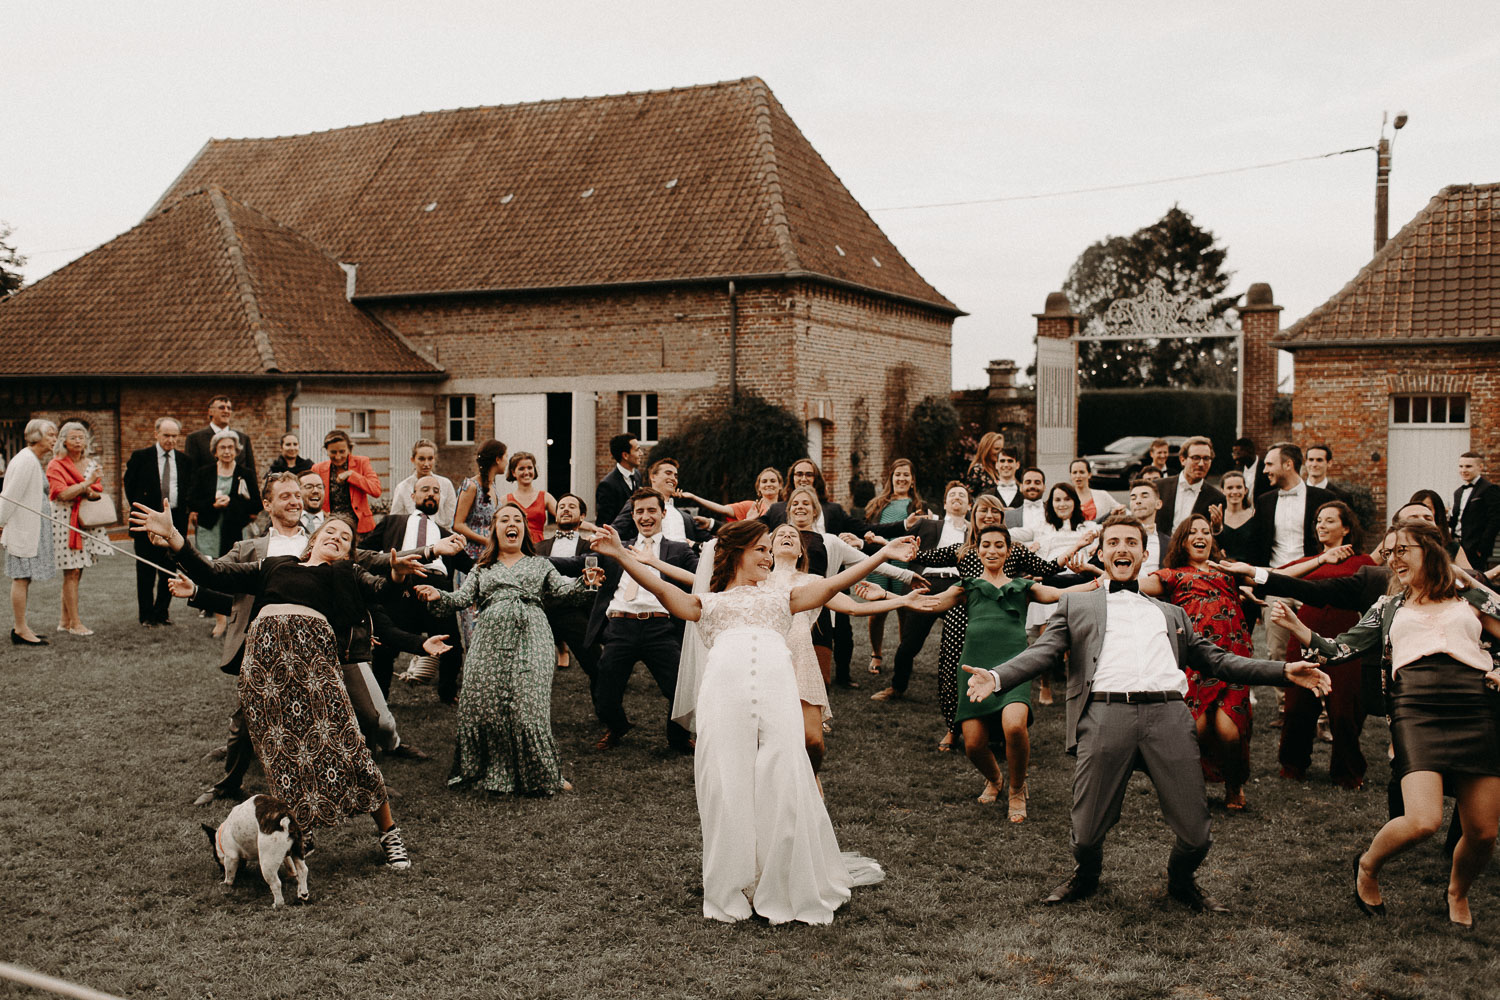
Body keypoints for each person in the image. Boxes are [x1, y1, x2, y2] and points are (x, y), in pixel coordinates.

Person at [964, 511, 1331, 911]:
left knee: (1197, 835)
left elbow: (1220, 660)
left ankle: (1181, 880)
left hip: (1169, 716)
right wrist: (998, 678)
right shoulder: (1077, 606)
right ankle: (1085, 876)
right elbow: (1041, 653)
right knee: (1085, 835)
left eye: (1131, 543)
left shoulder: (1172, 613)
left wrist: (1283, 671)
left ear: (1143, 555)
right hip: (1106, 715)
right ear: (1102, 553)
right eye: (1114, 543)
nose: (1123, 549)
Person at [592, 518, 908, 924]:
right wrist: (620, 555)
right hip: (725, 692)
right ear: (738, 552)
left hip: (777, 690)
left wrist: (881, 555)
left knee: (784, 774)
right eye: (761, 548)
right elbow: (665, 590)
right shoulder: (711, 602)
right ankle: (730, 886)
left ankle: (782, 883)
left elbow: (831, 586)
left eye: (769, 548)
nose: (769, 555)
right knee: (726, 780)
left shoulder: (783, 596)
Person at [131, 503, 419, 870]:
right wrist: (175, 539)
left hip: (314, 669)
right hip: (264, 673)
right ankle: (302, 832)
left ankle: (390, 835)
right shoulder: (275, 566)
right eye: (331, 531)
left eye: (345, 538)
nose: (337, 538)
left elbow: (382, 590)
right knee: (284, 759)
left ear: (349, 552)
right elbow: (214, 572)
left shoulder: (347, 574)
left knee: (349, 748)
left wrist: (395, 576)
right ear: (313, 539)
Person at [1274, 519, 1500, 928]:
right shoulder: (1389, 606)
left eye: (1403, 550)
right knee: (1423, 820)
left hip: (1474, 707)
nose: (1392, 559)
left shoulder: (1469, 598)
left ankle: (1457, 891)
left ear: (1431, 550)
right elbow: (1341, 647)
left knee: (1483, 831)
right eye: (1389, 551)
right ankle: (1367, 866)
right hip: (1417, 708)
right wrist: (1300, 629)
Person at [415, 502, 602, 795]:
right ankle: (491, 772)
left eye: (517, 519)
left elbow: (564, 593)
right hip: (488, 639)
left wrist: (585, 582)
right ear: (495, 529)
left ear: (524, 529)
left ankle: (545, 775)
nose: (511, 524)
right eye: (504, 519)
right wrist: (435, 594)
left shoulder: (540, 563)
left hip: (532, 634)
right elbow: (459, 600)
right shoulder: (481, 568)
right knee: (484, 705)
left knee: (528, 706)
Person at [923, 524, 1098, 820]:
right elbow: (933, 603)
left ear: (1009, 550)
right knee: (974, 744)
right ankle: (995, 778)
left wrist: (1094, 586)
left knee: (1014, 726)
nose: (992, 551)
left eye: (999, 545)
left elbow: (1058, 594)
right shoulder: (966, 586)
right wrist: (886, 597)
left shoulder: (1022, 586)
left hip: (1012, 667)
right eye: (986, 545)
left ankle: (1017, 787)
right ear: (977, 549)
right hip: (974, 667)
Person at [877, 493, 1069, 752]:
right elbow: (927, 557)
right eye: (982, 512)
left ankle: (999, 731)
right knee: (953, 671)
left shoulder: (1014, 550)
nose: (988, 516)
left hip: (999, 617)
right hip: (962, 614)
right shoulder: (963, 550)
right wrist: (899, 551)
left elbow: (1045, 568)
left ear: (1001, 517)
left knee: (1003, 670)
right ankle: (953, 729)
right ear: (973, 516)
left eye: (994, 512)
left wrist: (1074, 557)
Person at [766, 522, 928, 770]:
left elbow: (854, 608)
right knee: (771, 737)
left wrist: (901, 600)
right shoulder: (757, 580)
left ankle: (813, 776)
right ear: (770, 547)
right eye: (781, 535)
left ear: (801, 551)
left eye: (793, 535)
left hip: (801, 659)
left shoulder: (814, 581)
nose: (787, 536)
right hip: (768, 659)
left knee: (812, 741)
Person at [552, 487, 698, 752]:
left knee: (680, 690)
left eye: (652, 510)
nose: (646, 516)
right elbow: (576, 563)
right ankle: (617, 726)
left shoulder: (678, 551)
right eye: (639, 511)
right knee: (604, 696)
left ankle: (677, 738)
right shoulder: (617, 548)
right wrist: (529, 558)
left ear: (663, 513)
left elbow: (703, 577)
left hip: (661, 627)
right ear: (632, 516)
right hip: (620, 626)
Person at [1140, 514, 1258, 810]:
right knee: (1196, 729)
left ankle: (1234, 784)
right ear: (1182, 540)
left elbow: (1275, 575)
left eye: (1206, 531)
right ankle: (1190, 788)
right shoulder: (1172, 575)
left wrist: (1322, 560)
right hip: (1195, 662)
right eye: (1192, 532)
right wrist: (1098, 576)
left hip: (1233, 659)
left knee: (1229, 729)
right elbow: (1134, 585)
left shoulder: (1228, 572)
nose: (1200, 536)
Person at [1273, 501, 1375, 789]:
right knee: (1296, 706)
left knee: (1343, 708)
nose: (1321, 525)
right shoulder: (1311, 561)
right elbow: (1276, 576)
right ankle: (1293, 764)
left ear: (1346, 528)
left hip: (1344, 637)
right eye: (1318, 520)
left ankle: (1347, 771)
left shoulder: (1363, 563)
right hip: (1304, 630)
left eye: (1329, 521)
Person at [360, 475, 471, 701]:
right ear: (413, 496)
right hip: (402, 585)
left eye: (436, 491)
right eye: (425, 489)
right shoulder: (392, 522)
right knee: (386, 644)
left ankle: (448, 695)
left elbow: (472, 567)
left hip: (438, 589)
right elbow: (364, 553)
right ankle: (380, 698)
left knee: (451, 645)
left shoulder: (447, 536)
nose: (431, 494)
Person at [869, 481, 971, 703]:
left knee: (962, 642)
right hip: (926, 583)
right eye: (952, 494)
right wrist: (877, 541)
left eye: (962, 496)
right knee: (909, 643)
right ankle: (897, 687)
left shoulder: (974, 533)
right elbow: (901, 540)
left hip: (959, 588)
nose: (956, 498)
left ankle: (962, 691)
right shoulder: (929, 526)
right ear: (945, 503)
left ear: (969, 505)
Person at [1250, 443, 1335, 661]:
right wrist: (1259, 591)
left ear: (1288, 465)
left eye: (1269, 464)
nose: (1265, 470)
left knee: (1318, 648)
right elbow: (1258, 548)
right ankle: (1282, 697)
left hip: (1312, 584)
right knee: (1277, 653)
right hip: (1276, 583)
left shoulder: (1323, 498)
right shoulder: (1264, 501)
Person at [122, 417, 191, 627]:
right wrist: (141, 509)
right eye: (166, 435)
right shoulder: (141, 457)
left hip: (174, 522)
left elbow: (188, 488)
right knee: (145, 570)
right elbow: (129, 485)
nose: (170, 440)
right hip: (147, 520)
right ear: (156, 434)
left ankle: (162, 612)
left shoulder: (184, 460)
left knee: (169, 568)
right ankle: (146, 615)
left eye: (174, 436)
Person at [190, 430, 259, 637]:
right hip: (210, 529)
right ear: (215, 451)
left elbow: (255, 504)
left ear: (237, 450)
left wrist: (231, 503)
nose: (227, 451)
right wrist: (212, 504)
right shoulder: (204, 472)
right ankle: (220, 620)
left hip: (235, 528)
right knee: (212, 569)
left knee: (236, 571)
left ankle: (240, 619)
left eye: (231, 447)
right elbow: (192, 501)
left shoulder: (244, 473)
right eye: (223, 447)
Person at [47, 421, 109, 636]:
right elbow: (61, 494)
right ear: (63, 440)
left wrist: (87, 490)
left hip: (85, 519)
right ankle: (75, 623)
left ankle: (64, 621)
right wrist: (86, 485)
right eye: (73, 437)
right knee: (71, 571)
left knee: (77, 570)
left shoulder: (91, 463)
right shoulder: (56, 464)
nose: (77, 441)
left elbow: (97, 490)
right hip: (65, 521)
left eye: (81, 437)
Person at [0, 419, 59, 645]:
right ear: (36, 436)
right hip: (23, 530)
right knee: (21, 578)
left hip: (32, 529)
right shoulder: (25, 460)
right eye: (50, 435)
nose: (54, 439)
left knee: (25, 578)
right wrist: (1, 521)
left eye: (55, 435)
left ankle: (21, 626)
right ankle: (20, 630)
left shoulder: (32, 460)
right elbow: (9, 496)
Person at [863, 458, 923, 675]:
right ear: (891, 477)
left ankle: (902, 656)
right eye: (898, 474)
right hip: (879, 560)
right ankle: (876, 654)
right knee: (876, 610)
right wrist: (868, 535)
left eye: (906, 474)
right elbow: (867, 528)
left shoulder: (918, 507)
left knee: (903, 609)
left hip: (904, 562)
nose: (901, 478)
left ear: (912, 480)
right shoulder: (878, 504)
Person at [536, 493, 601, 677]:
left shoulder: (591, 547)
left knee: (597, 666)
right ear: (555, 515)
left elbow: (592, 584)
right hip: (541, 609)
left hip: (573, 609)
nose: (565, 509)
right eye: (561, 506)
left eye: (572, 506)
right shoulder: (538, 547)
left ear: (582, 516)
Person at [453, 439, 506, 648]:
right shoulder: (471, 486)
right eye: (505, 457)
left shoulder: (493, 487)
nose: (507, 461)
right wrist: (488, 540)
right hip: (471, 559)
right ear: (497, 459)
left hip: (492, 557)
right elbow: (457, 523)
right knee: (471, 613)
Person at [611, 457, 714, 547]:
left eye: (676, 476)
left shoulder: (685, 517)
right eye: (668, 473)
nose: (673, 478)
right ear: (653, 477)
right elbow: (615, 532)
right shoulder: (637, 504)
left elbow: (711, 541)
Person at [312, 430, 381, 536]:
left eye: (342, 451)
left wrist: (352, 475)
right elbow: (310, 496)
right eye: (333, 452)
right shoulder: (318, 469)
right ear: (326, 450)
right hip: (331, 528)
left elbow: (376, 490)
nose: (338, 456)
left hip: (360, 529)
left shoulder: (362, 463)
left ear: (350, 449)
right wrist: (321, 512)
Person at [1155, 436, 1226, 533]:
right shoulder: (1158, 487)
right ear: (1182, 460)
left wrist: (1216, 528)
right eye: (1195, 458)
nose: (1201, 464)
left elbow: (1216, 540)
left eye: (1206, 458)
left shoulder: (1217, 498)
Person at [388, 439, 458, 530]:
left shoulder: (446, 484)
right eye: (421, 459)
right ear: (413, 460)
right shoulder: (403, 488)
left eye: (430, 459)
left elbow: (450, 518)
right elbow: (395, 521)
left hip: (441, 535)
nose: (426, 464)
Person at [183, 395, 255, 478]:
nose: (226, 411)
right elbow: (190, 472)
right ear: (210, 411)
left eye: (229, 408)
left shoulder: (243, 438)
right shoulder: (195, 439)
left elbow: (251, 471)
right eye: (221, 408)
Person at [680, 466, 782, 523]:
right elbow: (722, 509)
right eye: (764, 481)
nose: (768, 484)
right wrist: (693, 497)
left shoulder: (785, 508)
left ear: (780, 485)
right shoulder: (751, 506)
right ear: (759, 487)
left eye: (772, 481)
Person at [1452, 452, 1500, 571]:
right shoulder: (1458, 492)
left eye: (1468, 466)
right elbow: (1456, 519)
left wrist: (1482, 548)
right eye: (1461, 466)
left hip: (1475, 549)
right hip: (1456, 547)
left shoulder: (1489, 489)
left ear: (1480, 467)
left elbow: (1495, 520)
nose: (1463, 470)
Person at [502, 451, 555, 544]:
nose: (526, 472)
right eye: (521, 469)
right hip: (515, 549)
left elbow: (565, 517)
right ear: (513, 472)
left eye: (530, 468)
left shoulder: (545, 497)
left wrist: (589, 527)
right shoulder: (505, 500)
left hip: (538, 549)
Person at [595, 433, 642, 527]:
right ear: (625, 455)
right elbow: (604, 523)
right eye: (637, 450)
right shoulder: (607, 485)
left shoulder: (637, 475)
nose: (641, 453)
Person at [1212, 470, 1256, 562]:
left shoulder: (1254, 516)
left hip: (1250, 569)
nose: (1235, 491)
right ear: (1222, 491)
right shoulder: (1216, 516)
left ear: (1245, 490)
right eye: (1230, 488)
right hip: (1223, 569)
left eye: (1239, 487)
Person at [1004, 468, 1048, 539]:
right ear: (1021, 487)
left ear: (1044, 487)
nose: (1032, 486)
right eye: (1028, 482)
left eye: (1037, 482)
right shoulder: (1008, 516)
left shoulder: (1054, 513)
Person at [963, 431, 1004, 499]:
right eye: (996, 449)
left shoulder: (999, 469)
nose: (1000, 453)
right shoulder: (978, 470)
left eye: (1001, 449)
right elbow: (969, 497)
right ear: (987, 449)